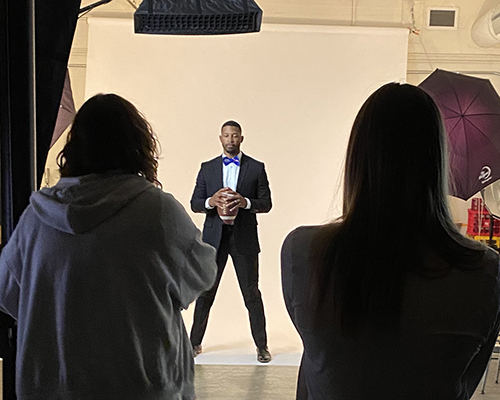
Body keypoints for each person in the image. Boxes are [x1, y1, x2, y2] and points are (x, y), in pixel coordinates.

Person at [281, 83, 500, 399]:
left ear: (358, 157)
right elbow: (463, 386)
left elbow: (320, 361)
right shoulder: (486, 271)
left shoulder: (302, 251)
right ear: (437, 159)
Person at [0, 93, 218, 400]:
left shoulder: (37, 219)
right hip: (141, 386)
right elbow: (202, 272)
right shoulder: (157, 211)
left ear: (74, 149)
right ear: (138, 146)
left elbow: (8, 294)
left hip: (52, 389)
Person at [189, 120, 272, 363]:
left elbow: (266, 203)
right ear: (220, 138)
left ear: (241, 138)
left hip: (243, 239)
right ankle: (193, 343)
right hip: (214, 240)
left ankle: (262, 346)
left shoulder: (256, 168)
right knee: (206, 292)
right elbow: (195, 203)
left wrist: (245, 201)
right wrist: (210, 202)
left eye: (235, 136)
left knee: (251, 294)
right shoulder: (207, 168)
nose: (231, 140)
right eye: (226, 135)